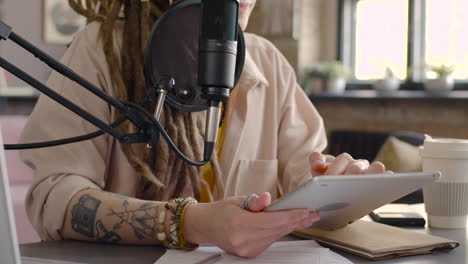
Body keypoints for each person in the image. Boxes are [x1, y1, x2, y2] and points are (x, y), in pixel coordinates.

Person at [19, 0, 388, 259]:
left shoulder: (269, 62)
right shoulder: (101, 50)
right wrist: (188, 223)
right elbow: (55, 199)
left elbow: (302, 176)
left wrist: (332, 185)